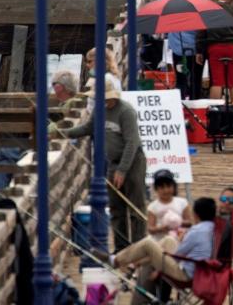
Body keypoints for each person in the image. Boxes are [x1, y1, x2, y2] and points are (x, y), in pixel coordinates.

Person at [59, 77, 147, 252]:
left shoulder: (126, 112)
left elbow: (132, 143)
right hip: (113, 162)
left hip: (133, 162)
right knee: (116, 208)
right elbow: (86, 128)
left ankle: (138, 247)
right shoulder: (99, 110)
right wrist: (63, 133)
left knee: (136, 207)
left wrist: (122, 170)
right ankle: (122, 247)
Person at [104, 197, 216, 303]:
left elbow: (179, 254)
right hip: (199, 271)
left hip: (186, 275)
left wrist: (159, 270)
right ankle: (133, 264)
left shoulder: (196, 231)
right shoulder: (211, 228)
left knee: (148, 244)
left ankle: (118, 260)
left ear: (196, 214)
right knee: (169, 240)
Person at [168, 0, 206, 99]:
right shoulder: (201, 2)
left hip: (178, 48)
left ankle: (181, 108)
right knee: (196, 81)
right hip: (197, 49)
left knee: (180, 80)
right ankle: (196, 108)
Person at [146, 171, 191, 241]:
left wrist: (177, 222)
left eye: (168, 186)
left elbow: (189, 222)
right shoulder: (152, 207)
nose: (166, 190)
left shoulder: (182, 202)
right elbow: (150, 228)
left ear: (174, 186)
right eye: (162, 187)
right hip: (160, 242)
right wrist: (161, 228)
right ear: (156, 189)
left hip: (180, 240)